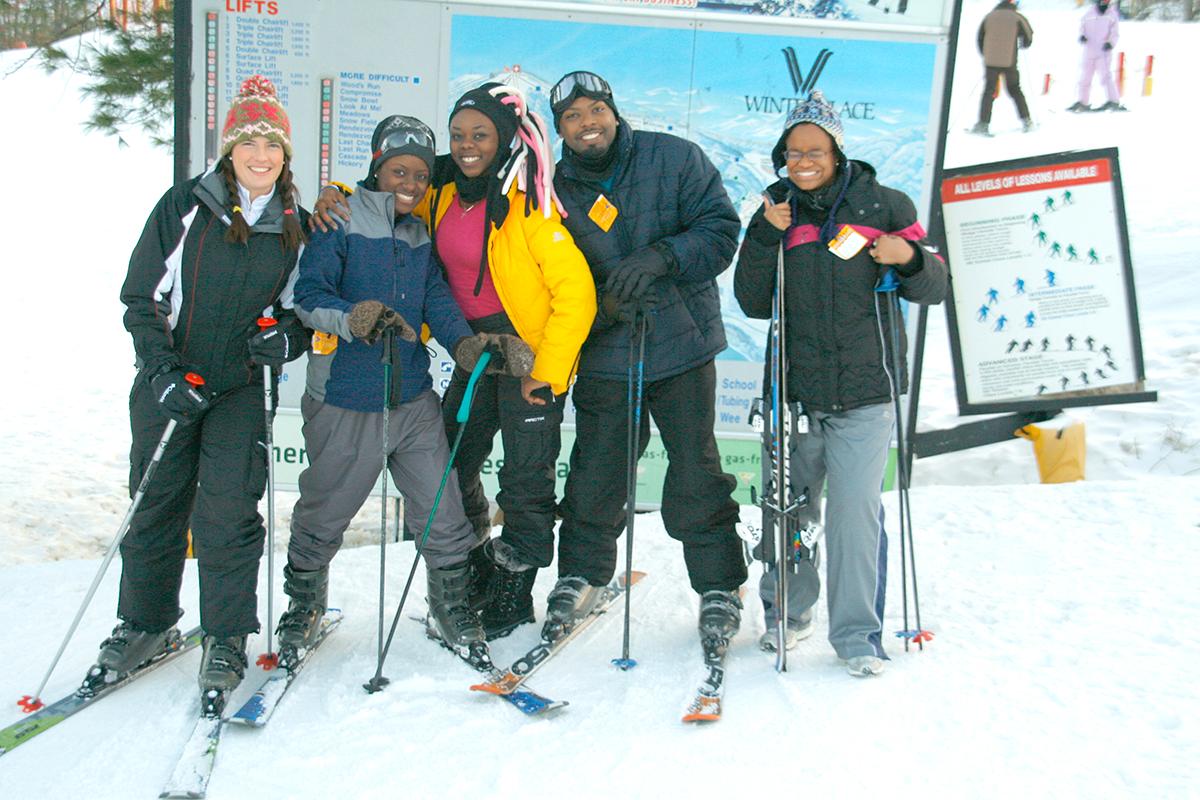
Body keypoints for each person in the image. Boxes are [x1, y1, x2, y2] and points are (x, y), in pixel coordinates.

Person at [311, 83, 595, 641]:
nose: (468, 146)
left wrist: (547, 371)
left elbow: (578, 294)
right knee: (454, 460)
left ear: (504, 138)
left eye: (481, 135)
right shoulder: (440, 188)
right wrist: (335, 194)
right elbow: (386, 180)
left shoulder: (528, 206)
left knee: (525, 476)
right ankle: (476, 571)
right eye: (459, 135)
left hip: (527, 353)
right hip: (472, 346)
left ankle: (512, 598)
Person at [280, 114, 534, 656]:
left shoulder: (421, 232)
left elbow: (438, 301)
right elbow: (308, 296)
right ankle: (303, 606)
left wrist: (465, 345)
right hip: (347, 398)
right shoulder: (339, 219)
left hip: (412, 398)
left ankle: (454, 611)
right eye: (400, 171)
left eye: (420, 175)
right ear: (378, 167)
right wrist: (356, 317)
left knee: (442, 514)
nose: (412, 185)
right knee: (326, 512)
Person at [99, 75, 309, 702]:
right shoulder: (185, 205)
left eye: (273, 145)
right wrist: (161, 371)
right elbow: (142, 296)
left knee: (226, 511)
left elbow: (302, 310)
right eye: (250, 143)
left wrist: (287, 340)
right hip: (172, 380)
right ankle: (145, 621)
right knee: (157, 502)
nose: (262, 156)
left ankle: (225, 636)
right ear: (228, 151)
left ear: (286, 154)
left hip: (240, 390)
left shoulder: (298, 225)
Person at [733, 90, 947, 676]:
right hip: (794, 396)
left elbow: (936, 285)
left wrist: (907, 258)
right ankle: (788, 613)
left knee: (856, 516)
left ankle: (857, 636)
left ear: (836, 150)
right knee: (790, 513)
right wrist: (761, 235)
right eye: (793, 151)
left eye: (815, 149)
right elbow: (752, 302)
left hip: (864, 396)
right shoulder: (776, 207)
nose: (803, 161)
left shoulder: (885, 204)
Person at [544, 71, 748, 651]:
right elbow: (550, 272)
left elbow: (720, 232)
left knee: (695, 471)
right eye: (573, 117)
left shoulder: (675, 158)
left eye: (594, 110)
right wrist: (602, 307)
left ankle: (720, 586)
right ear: (560, 130)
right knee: (596, 471)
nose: (587, 124)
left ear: (613, 110)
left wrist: (663, 256)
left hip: (682, 346)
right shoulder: (553, 188)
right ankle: (582, 574)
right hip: (608, 351)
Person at [972, 0, 1034, 135]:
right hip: (1009, 61)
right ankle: (1027, 121)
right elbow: (1028, 36)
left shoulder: (989, 16)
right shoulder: (1017, 17)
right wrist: (1024, 44)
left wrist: (986, 54)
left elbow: (979, 38)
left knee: (988, 92)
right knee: (1015, 90)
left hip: (991, 62)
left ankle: (983, 125)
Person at [1068, 0, 1126, 113]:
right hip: (1089, 51)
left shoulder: (1112, 15)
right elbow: (1082, 27)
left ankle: (1113, 100)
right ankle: (1082, 101)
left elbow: (1115, 33)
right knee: (1085, 77)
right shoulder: (1089, 13)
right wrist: (1082, 36)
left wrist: (1111, 43)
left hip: (1103, 52)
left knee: (1105, 77)